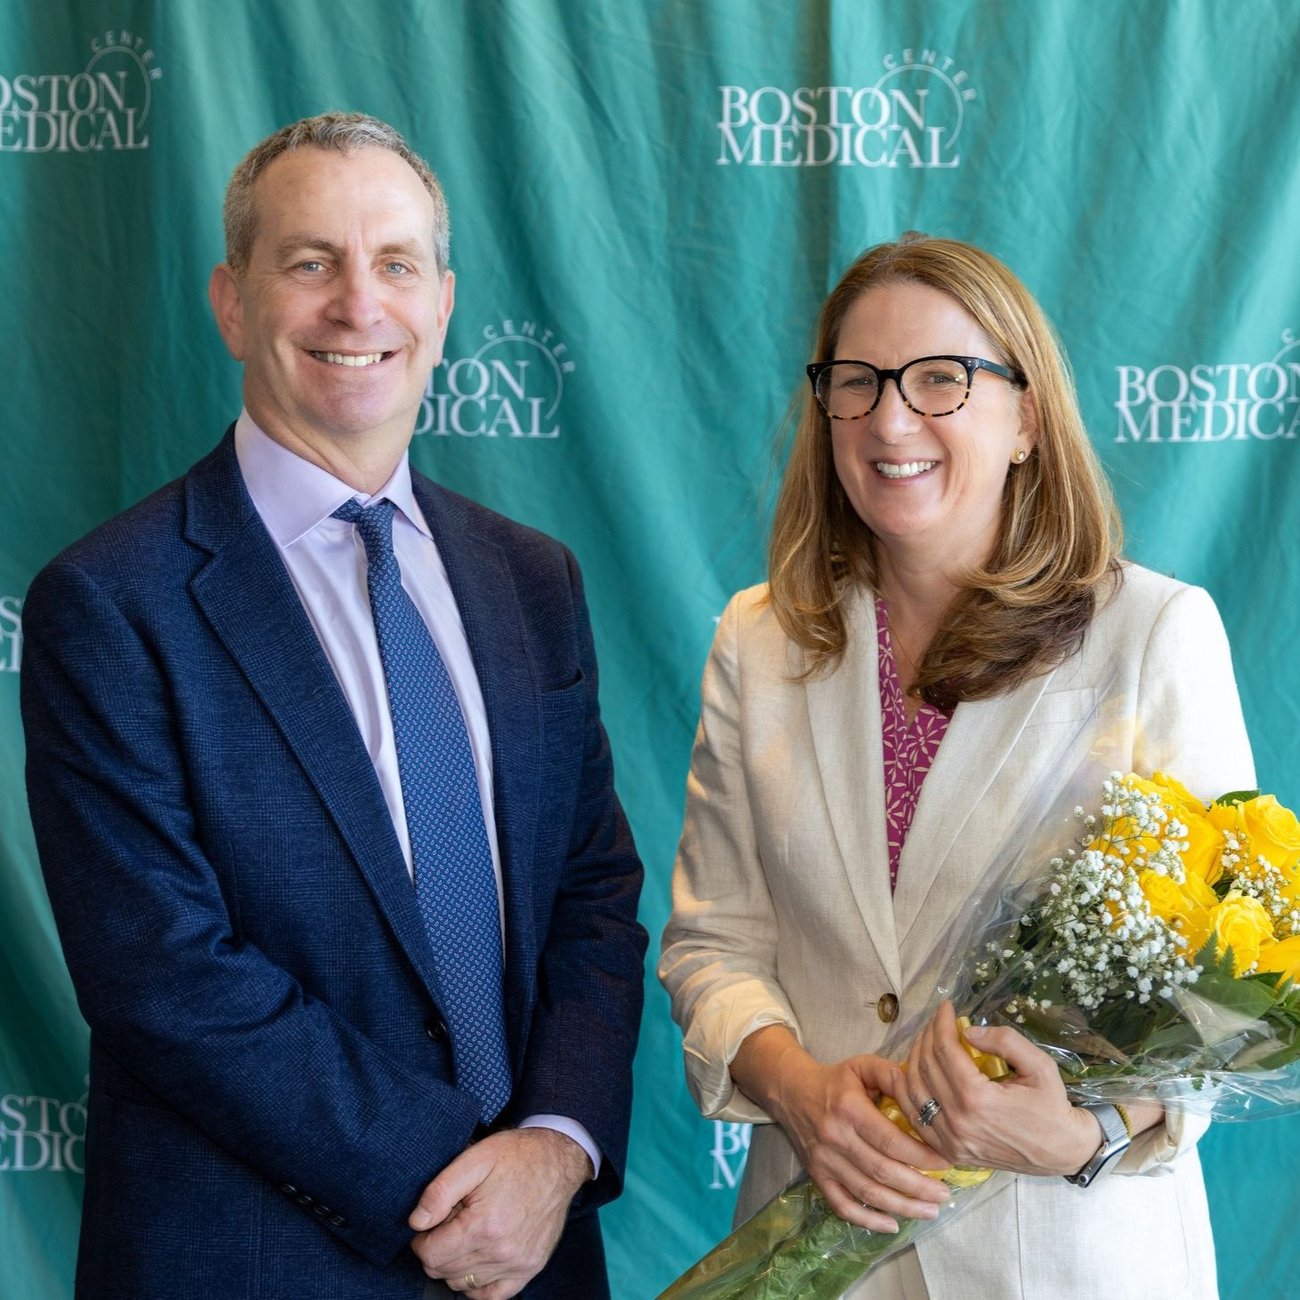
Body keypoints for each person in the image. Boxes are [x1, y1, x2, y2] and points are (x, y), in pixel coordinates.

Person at [21, 111, 646, 1300]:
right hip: (253, 1258)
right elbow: (164, 974)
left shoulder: (532, 580)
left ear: (443, 302)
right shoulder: (111, 601)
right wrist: (464, 1174)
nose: (359, 306)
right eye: (310, 262)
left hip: (534, 1255)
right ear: (231, 300)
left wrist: (554, 1148)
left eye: (395, 264)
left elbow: (592, 896)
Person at [659, 233, 1253, 1299]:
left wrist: (1081, 1130)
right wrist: (800, 1090)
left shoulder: (1154, 632)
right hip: (818, 1248)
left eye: (942, 379)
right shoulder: (755, 640)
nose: (891, 420)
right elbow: (713, 943)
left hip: (1069, 1254)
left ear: (1026, 416)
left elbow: (1225, 997)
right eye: (857, 383)